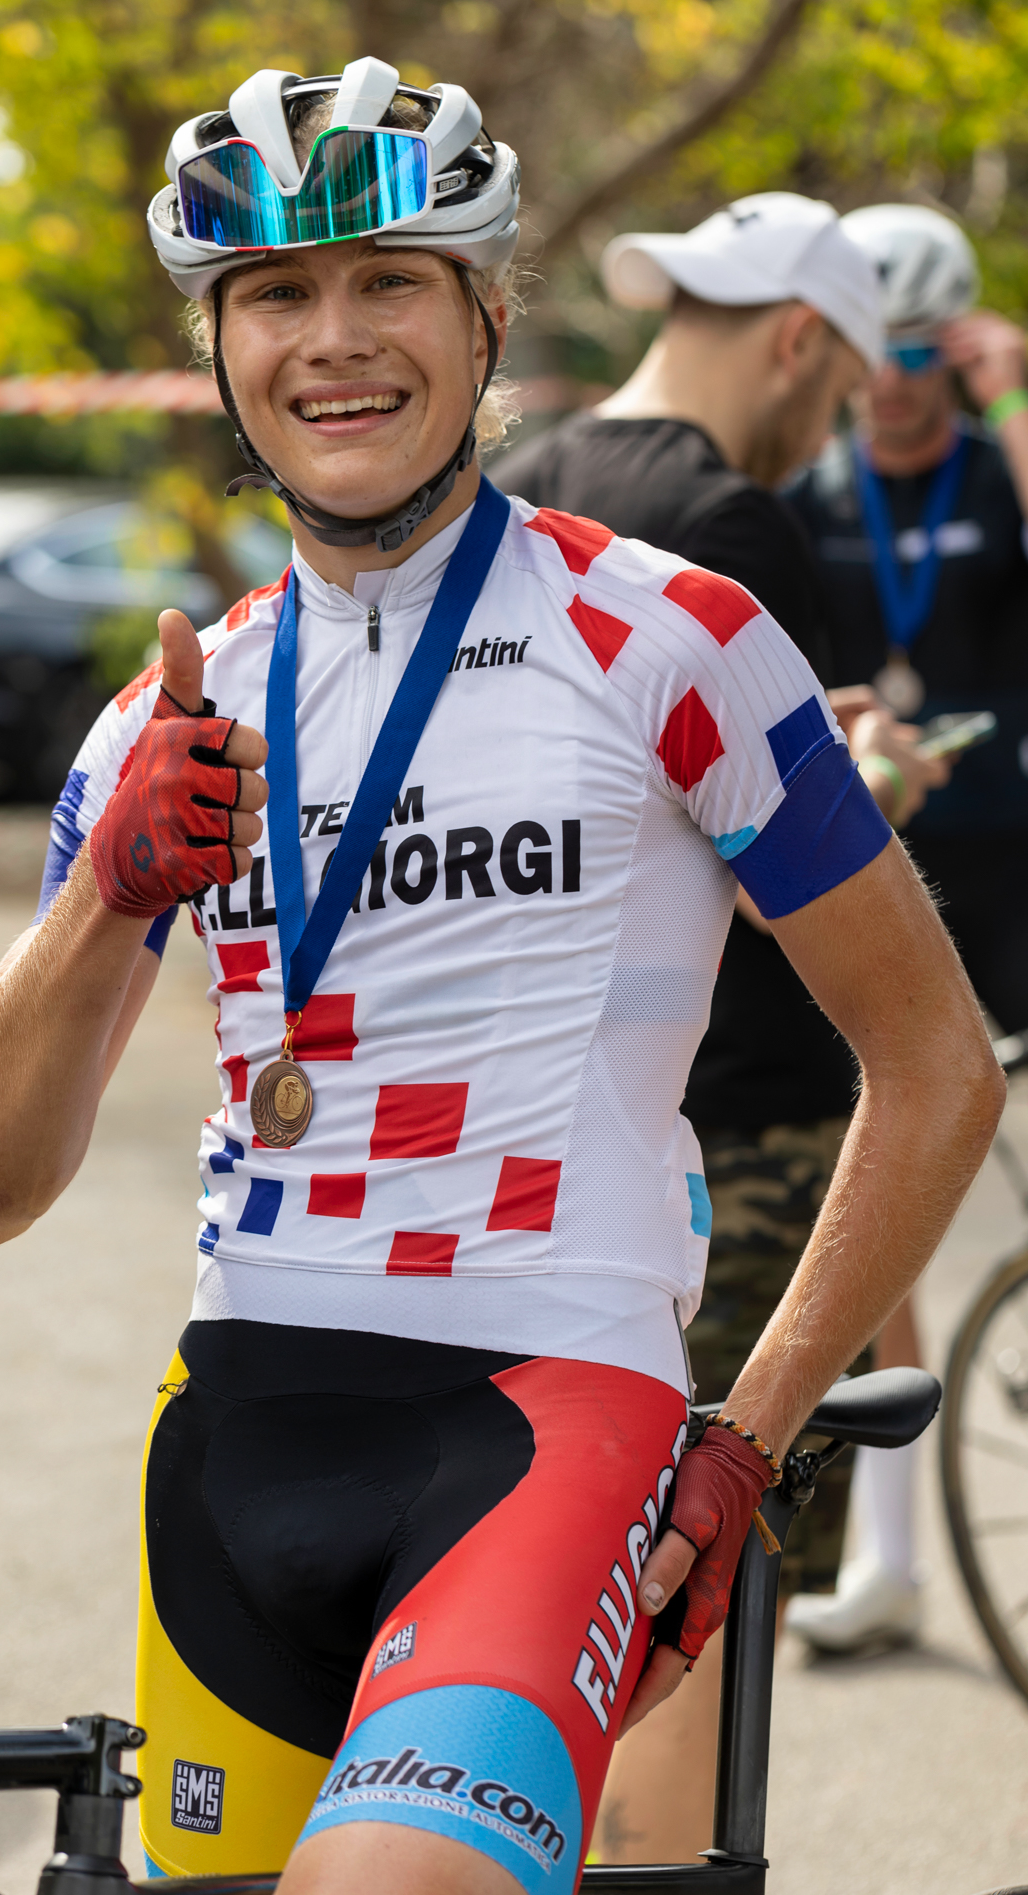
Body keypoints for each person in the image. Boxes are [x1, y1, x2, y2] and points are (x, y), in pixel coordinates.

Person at [0, 63, 1002, 1895]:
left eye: (390, 282)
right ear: (219, 348)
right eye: (276, 292)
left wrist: (748, 1436)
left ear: (488, 316)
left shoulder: (673, 637)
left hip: (546, 1409)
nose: (333, 338)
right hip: (238, 1436)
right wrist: (111, 892)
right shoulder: (169, 715)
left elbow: (938, 1066)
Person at [491, 192, 949, 1863]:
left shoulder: (515, 498)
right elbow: (781, 882)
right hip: (736, 1133)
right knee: (686, 1599)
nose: (830, 427)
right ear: (799, 339)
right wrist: (873, 786)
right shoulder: (732, 524)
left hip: (546, 1142)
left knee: (545, 1589)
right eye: (838, 387)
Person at [783, 203, 1028, 1654]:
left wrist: (1011, 399)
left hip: (1014, 860)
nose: (892, 384)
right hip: (882, 864)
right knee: (872, 1181)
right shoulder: (811, 493)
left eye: (924, 355)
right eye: (875, 353)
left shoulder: (996, 467)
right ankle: (888, 1560)